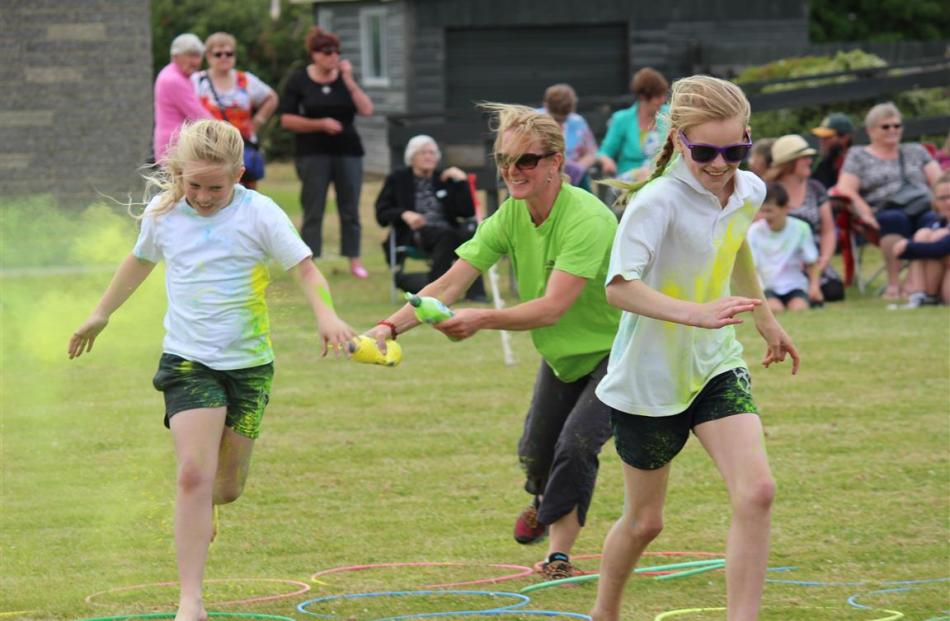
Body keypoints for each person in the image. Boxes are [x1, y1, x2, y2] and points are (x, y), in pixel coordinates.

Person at [67, 120, 355, 621]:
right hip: (187, 360)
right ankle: (191, 602)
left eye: (214, 186)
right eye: (192, 183)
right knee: (193, 475)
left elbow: (305, 269)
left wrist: (327, 314)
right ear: (179, 174)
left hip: (248, 366)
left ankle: (210, 508)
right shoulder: (165, 214)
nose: (200, 196)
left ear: (239, 175)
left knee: (226, 488)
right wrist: (101, 311)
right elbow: (138, 261)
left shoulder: (259, 214)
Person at [364, 104, 621, 580]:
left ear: (556, 163)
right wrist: (387, 327)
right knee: (535, 450)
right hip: (562, 355)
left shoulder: (588, 219)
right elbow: (449, 284)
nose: (511, 171)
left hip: (618, 351)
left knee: (576, 444)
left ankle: (559, 555)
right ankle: (543, 501)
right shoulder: (511, 215)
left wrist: (482, 319)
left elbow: (551, 307)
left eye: (525, 160)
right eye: (504, 160)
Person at [590, 75, 799, 621]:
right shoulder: (656, 202)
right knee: (645, 522)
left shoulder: (749, 189)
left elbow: (735, 247)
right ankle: (603, 614)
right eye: (705, 150)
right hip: (648, 380)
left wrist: (765, 318)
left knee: (757, 492)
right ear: (680, 139)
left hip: (714, 365)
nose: (719, 163)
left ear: (749, 138)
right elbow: (618, 287)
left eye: (735, 150)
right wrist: (695, 313)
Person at [279, 26, 373, 279]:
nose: (333, 56)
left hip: (348, 152)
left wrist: (350, 80)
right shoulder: (300, 80)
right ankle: (312, 260)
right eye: (327, 52)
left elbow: (366, 109)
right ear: (314, 54)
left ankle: (354, 260)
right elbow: (286, 119)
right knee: (314, 208)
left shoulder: (345, 79)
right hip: (313, 153)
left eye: (336, 52)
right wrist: (319, 124)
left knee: (350, 208)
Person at [836, 102, 943, 299]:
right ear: (870, 130)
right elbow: (845, 189)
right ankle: (893, 285)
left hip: (922, 205)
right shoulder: (858, 155)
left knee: (931, 222)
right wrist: (865, 213)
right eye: (886, 126)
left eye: (897, 125)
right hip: (883, 211)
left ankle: (918, 284)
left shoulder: (916, 150)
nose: (893, 130)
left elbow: (940, 182)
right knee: (895, 220)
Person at [374, 135, 486, 300]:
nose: (429, 156)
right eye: (423, 153)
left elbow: (467, 211)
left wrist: (461, 181)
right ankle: (437, 291)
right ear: (411, 157)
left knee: (470, 237)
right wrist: (404, 214)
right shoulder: (398, 179)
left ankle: (474, 294)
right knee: (449, 236)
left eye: (432, 153)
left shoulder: (443, 179)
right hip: (415, 233)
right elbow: (381, 212)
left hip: (447, 231)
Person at [193, 32, 278, 189]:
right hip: (209, 148)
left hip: (242, 147)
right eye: (218, 54)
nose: (224, 57)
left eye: (229, 53)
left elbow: (271, 97)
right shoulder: (198, 81)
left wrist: (258, 120)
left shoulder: (245, 79)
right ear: (209, 56)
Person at [765, 134, 842, 303]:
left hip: (811, 258)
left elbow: (828, 230)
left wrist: (823, 261)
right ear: (789, 163)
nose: (810, 161)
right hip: (777, 261)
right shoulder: (768, 191)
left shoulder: (816, 189)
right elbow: (759, 229)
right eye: (804, 158)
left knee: (834, 291)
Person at [748, 183, 820, 312]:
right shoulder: (754, 231)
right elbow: (751, 268)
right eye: (761, 210)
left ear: (785, 208)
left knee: (799, 308)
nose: (764, 216)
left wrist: (814, 287)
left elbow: (811, 262)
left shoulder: (801, 229)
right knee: (774, 309)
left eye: (769, 211)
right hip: (766, 286)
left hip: (795, 285)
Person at [596, 67, 670, 182]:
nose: (662, 100)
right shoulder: (621, 119)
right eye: (657, 96)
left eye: (663, 95)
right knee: (644, 175)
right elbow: (604, 152)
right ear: (642, 97)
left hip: (662, 175)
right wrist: (607, 161)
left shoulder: (670, 114)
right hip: (630, 180)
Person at [890, 171, 950, 308]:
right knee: (923, 234)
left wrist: (907, 245)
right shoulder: (937, 221)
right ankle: (924, 295)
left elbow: (941, 248)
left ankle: (924, 295)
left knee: (935, 238)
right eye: (943, 198)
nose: (948, 202)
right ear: (934, 202)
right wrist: (909, 245)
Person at [154, 33, 213, 163]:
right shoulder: (173, 80)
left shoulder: (173, 74)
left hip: (174, 147)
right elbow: (199, 116)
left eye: (198, 56)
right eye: (191, 56)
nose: (196, 62)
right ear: (175, 56)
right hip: (175, 149)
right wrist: (226, 131)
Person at [538, 83, 598, 189]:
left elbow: (592, 152)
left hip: (574, 177)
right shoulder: (534, 121)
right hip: (544, 172)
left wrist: (578, 167)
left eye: (564, 119)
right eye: (555, 119)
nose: (560, 124)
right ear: (546, 106)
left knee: (578, 174)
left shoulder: (578, 122)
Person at [809, 112, 854, 189]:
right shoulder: (821, 167)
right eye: (821, 137)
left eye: (827, 137)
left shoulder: (859, 164)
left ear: (845, 138)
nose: (822, 142)